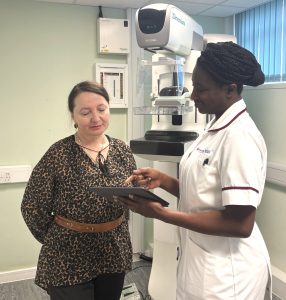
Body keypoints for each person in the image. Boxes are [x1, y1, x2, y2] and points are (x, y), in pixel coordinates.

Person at [120, 42, 272, 300]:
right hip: (201, 262)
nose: (193, 96)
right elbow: (204, 195)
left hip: (227, 276)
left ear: (230, 89)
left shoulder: (239, 138)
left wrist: (161, 214)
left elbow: (240, 223)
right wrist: (164, 180)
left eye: (201, 89)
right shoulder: (213, 129)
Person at [21, 81, 136, 300]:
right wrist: (57, 237)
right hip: (68, 253)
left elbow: (130, 198)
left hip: (112, 251)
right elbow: (32, 206)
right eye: (85, 112)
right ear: (73, 116)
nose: (96, 118)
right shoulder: (58, 154)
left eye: (101, 109)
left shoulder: (122, 150)